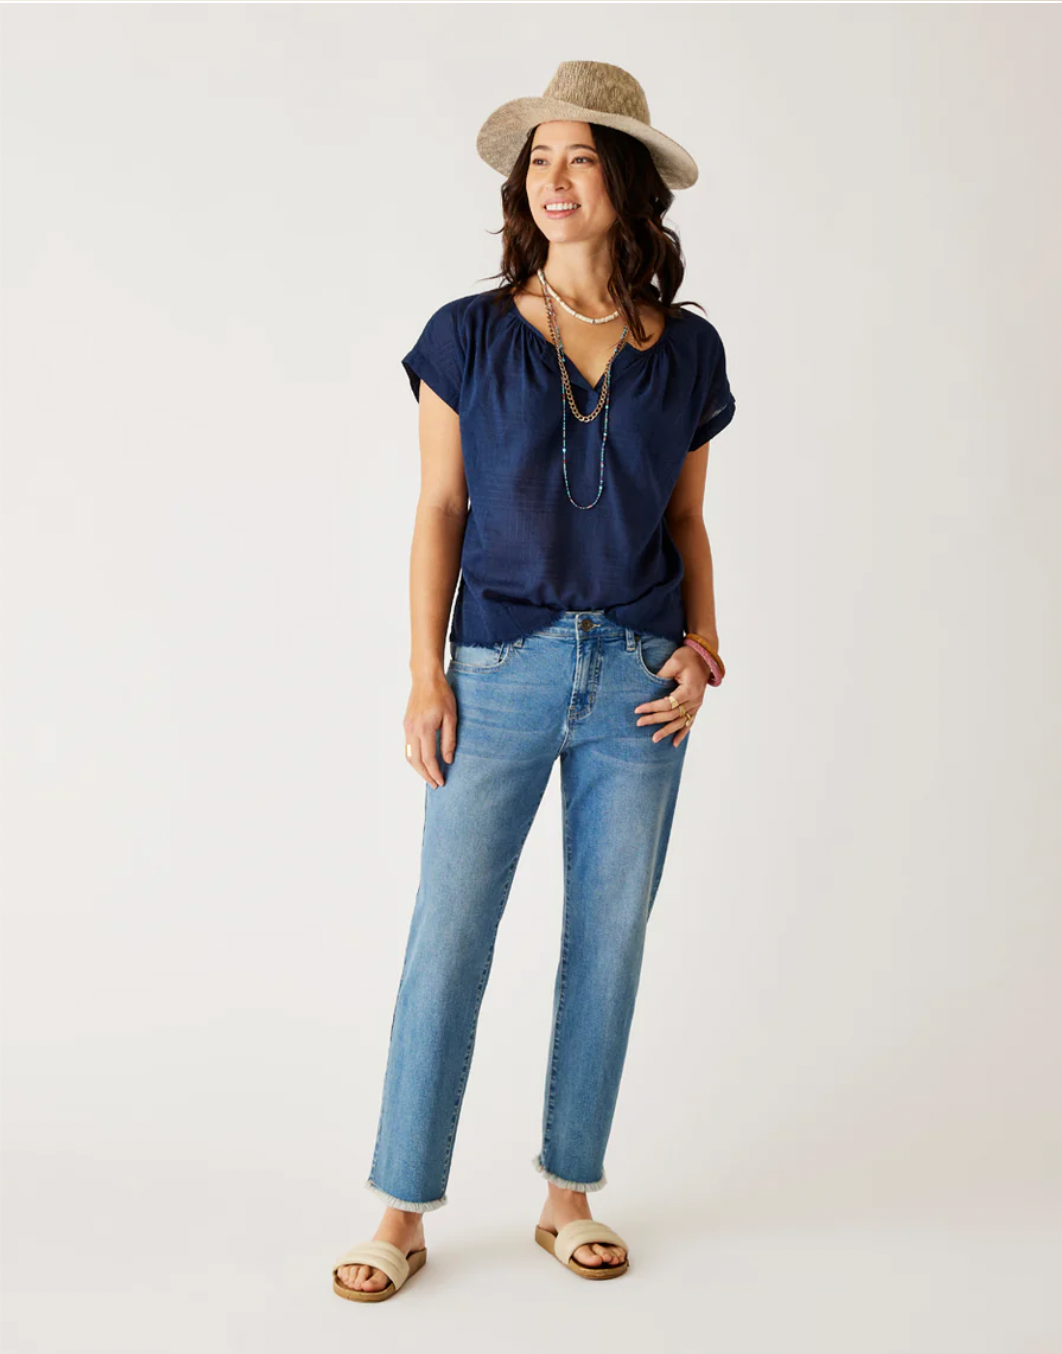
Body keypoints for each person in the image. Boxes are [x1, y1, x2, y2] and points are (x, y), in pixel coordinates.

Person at [333, 60, 736, 1302]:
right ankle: (401, 1207)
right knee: (448, 937)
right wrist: (425, 673)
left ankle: (568, 1194)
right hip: (497, 668)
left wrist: (702, 647)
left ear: (627, 185)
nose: (555, 179)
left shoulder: (689, 351)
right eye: (541, 160)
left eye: (582, 159)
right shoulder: (466, 335)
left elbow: (686, 522)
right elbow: (439, 508)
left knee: (608, 942)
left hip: (638, 680)